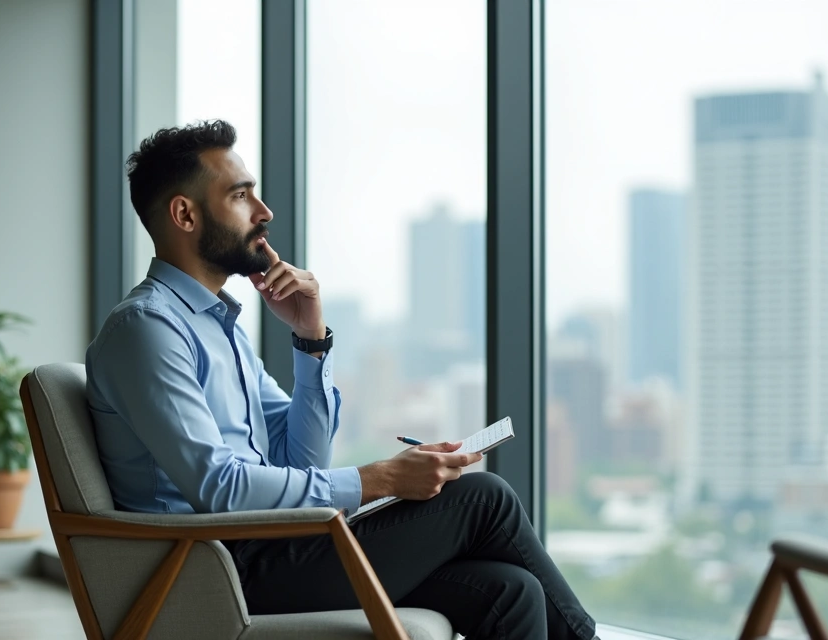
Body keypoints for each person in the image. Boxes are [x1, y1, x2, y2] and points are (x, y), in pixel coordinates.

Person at [85, 119, 598, 640]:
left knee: (512, 592)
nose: (264, 212)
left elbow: (303, 460)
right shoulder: (148, 329)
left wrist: (310, 339)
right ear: (185, 214)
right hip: (214, 569)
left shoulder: (220, 327)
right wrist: (383, 478)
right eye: (240, 196)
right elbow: (220, 488)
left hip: (267, 546)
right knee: (483, 497)